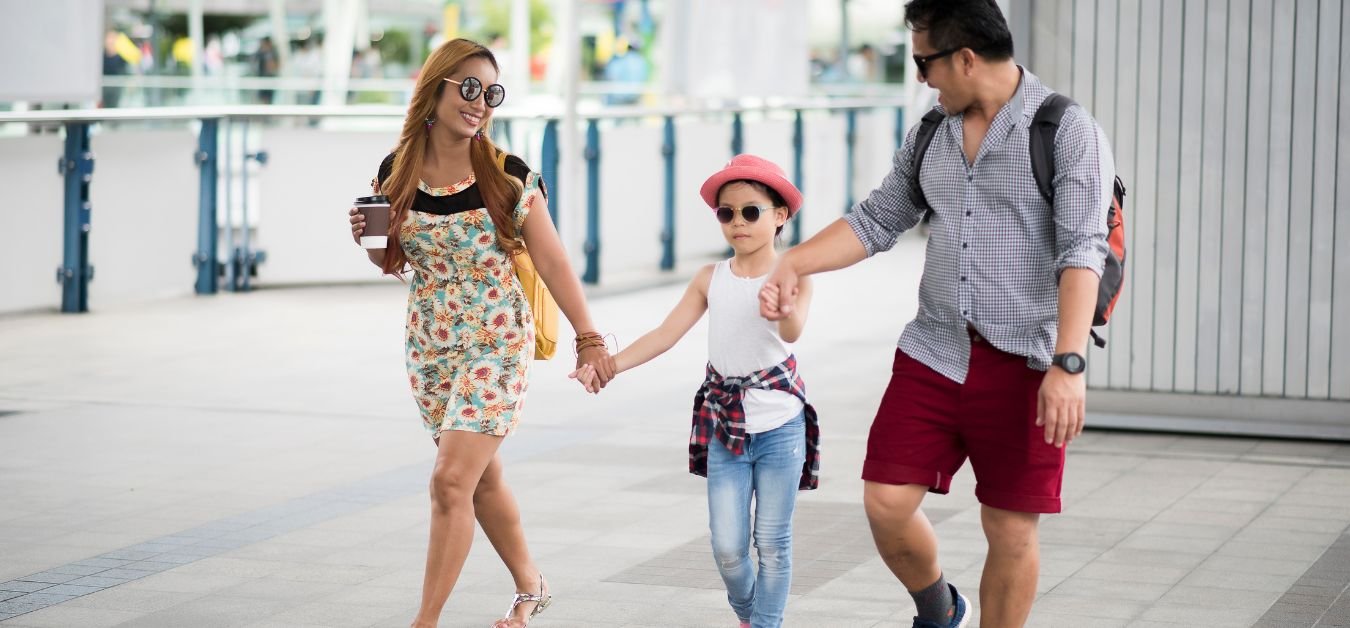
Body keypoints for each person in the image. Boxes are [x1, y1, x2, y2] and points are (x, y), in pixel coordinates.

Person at [758, 1, 1115, 626]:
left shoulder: (1065, 130)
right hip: (936, 350)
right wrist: (793, 264)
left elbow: (1083, 248)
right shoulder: (932, 130)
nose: (921, 77)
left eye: (925, 62)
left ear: (966, 58)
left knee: (1008, 528)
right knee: (886, 501)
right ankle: (939, 607)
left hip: (1028, 361)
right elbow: (877, 218)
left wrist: (1069, 363)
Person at [346, 38, 616, 628]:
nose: (480, 103)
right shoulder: (396, 172)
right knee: (479, 477)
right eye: (469, 88)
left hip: (496, 340)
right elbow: (392, 262)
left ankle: (425, 621)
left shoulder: (507, 177)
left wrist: (588, 336)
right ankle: (532, 587)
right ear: (434, 90)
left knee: (449, 480)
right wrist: (368, 239)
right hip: (430, 344)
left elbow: (555, 262)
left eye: (491, 93)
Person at [572, 155, 820, 628]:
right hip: (725, 424)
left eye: (752, 211)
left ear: (781, 215)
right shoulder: (711, 278)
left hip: (780, 427)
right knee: (728, 548)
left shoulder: (793, 273)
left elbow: (792, 332)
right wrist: (609, 367)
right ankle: (750, 614)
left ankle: (765, 624)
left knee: (772, 542)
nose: (738, 222)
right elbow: (665, 335)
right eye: (727, 213)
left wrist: (782, 304)